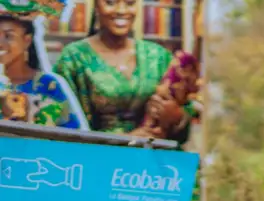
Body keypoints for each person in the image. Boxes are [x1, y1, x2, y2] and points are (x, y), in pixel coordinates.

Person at [55, 0, 190, 140]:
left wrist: (177, 116)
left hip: (154, 155)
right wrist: (125, 139)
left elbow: (185, 117)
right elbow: (62, 126)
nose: (121, 10)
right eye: (110, 3)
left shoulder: (158, 56)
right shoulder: (74, 57)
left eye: (130, 3)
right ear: (96, 6)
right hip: (97, 157)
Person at [0, 8, 84, 128]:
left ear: (27, 40)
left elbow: (73, 134)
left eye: (8, 36)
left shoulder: (49, 85)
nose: (0, 43)